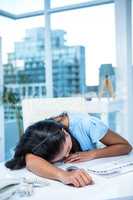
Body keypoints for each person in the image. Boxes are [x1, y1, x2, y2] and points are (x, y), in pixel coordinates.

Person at [5, 112, 132, 187]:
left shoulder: (87, 125)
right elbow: (30, 159)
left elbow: (125, 146)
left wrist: (92, 154)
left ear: (65, 132)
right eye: (61, 158)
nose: (67, 157)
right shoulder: (42, 135)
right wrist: (63, 175)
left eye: (68, 149)